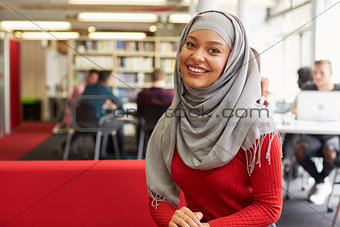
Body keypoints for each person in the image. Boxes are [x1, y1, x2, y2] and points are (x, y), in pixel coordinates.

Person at [145, 10, 282, 227]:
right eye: (190, 44)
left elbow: (269, 207)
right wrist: (171, 219)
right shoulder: (170, 122)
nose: (197, 56)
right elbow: (158, 198)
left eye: (214, 50)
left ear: (232, 62)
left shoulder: (255, 123)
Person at [294, 60, 340, 205]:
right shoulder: (308, 89)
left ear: (330, 74)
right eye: (315, 72)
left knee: (330, 153)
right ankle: (322, 182)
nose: (317, 76)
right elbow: (296, 111)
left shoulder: (338, 90)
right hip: (312, 135)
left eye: (322, 72)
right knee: (299, 150)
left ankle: (319, 183)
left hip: (333, 135)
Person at [82, 70, 125, 157]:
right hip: (97, 122)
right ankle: (121, 154)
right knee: (119, 124)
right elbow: (120, 104)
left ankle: (103, 151)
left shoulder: (88, 87)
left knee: (104, 120)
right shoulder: (105, 89)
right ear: (107, 79)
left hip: (82, 121)